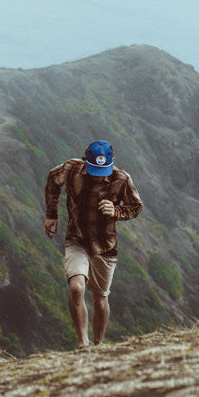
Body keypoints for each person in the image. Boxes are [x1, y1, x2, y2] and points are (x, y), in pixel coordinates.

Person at [44, 139, 143, 347]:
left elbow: (135, 206)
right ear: (85, 161)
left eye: (103, 171)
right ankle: (83, 344)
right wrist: (52, 214)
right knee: (77, 288)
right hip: (77, 238)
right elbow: (53, 179)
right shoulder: (71, 169)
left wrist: (116, 211)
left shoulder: (122, 179)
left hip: (105, 246)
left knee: (99, 301)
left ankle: (98, 345)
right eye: (94, 170)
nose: (99, 176)